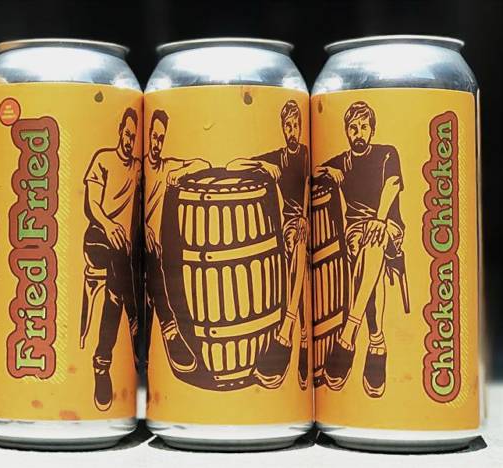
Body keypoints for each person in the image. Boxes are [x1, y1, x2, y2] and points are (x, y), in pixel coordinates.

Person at [315, 101, 407, 398]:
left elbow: (392, 185)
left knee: (376, 239)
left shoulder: (386, 153)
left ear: (372, 129)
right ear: (347, 132)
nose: (358, 133)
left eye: (364, 127)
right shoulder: (342, 161)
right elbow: (314, 171)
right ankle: (377, 341)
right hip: (356, 232)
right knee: (370, 250)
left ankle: (348, 335)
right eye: (353, 128)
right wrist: (328, 171)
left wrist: (380, 219)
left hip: (388, 225)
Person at [225, 100, 310, 389]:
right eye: (287, 126)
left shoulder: (306, 153)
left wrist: (304, 216)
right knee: (293, 242)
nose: (292, 131)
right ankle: (303, 340)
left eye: (296, 125)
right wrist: (263, 165)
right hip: (280, 226)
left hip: (304, 223)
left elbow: (308, 184)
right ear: (282, 128)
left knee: (300, 240)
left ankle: (286, 334)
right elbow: (233, 165)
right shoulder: (278, 157)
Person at [82, 108, 141, 410]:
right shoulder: (103, 160)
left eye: (134, 136)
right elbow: (91, 205)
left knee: (122, 269)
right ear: (120, 131)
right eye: (127, 134)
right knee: (120, 255)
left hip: (125, 251)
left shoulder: (138, 167)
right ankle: (133, 324)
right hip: (97, 237)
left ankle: (101, 362)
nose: (130, 141)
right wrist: (108, 225)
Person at [143, 109, 211, 374]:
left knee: (161, 257)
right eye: (154, 137)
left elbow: (203, 163)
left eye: (161, 139)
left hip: (158, 249)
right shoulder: (136, 164)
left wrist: (182, 172)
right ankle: (170, 329)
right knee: (150, 253)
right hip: (131, 244)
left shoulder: (167, 167)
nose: (157, 144)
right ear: (147, 135)